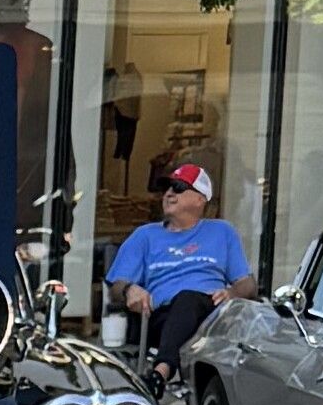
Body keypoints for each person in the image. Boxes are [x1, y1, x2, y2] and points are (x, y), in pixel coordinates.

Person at [105, 155, 249, 367]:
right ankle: (164, 368)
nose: (169, 193)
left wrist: (233, 293)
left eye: (178, 188)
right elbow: (115, 287)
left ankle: (162, 370)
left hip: (213, 316)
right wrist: (129, 290)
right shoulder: (145, 235)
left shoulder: (222, 231)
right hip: (162, 316)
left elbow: (248, 284)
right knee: (184, 301)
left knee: (189, 299)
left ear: (200, 199)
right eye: (167, 188)